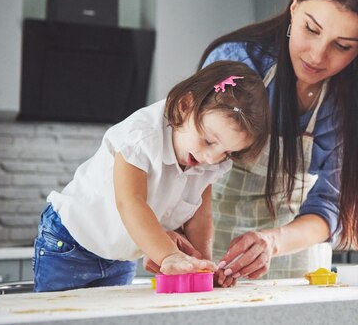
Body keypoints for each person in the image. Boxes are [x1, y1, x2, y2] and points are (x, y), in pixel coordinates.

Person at [145, 0, 358, 287]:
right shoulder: (239, 62)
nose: (317, 55)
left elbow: (328, 207)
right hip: (203, 244)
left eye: (342, 46)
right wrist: (169, 237)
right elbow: (184, 161)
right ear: (294, 6)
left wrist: (273, 242)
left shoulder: (349, 101)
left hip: (293, 256)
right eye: (311, 29)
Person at [33, 61, 270, 292]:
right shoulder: (142, 136)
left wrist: (203, 268)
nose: (211, 158)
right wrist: (168, 255)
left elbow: (200, 216)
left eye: (227, 152)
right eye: (208, 141)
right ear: (185, 106)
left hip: (121, 257)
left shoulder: (208, 160)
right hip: (70, 243)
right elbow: (130, 202)